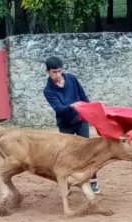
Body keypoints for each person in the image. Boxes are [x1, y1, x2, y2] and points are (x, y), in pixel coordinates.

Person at [43, 56, 100, 194]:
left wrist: (91, 111)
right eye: (54, 72)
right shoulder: (48, 90)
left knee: (88, 151)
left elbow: (83, 97)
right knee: (67, 154)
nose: (57, 75)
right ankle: (67, 182)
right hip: (65, 125)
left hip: (81, 121)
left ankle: (93, 181)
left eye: (59, 71)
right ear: (47, 72)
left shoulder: (72, 78)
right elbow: (59, 109)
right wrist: (72, 106)